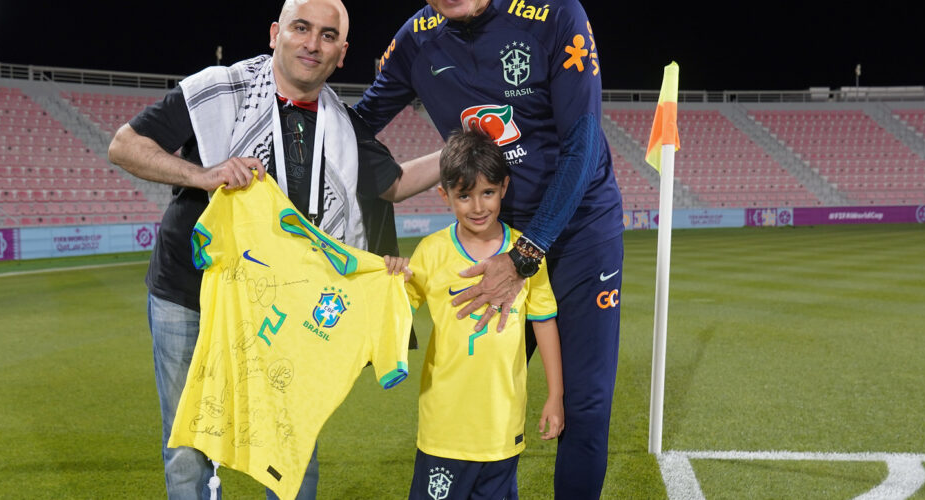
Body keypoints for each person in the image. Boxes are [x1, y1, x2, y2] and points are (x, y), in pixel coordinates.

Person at [107, 1, 438, 498]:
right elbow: (124, 145)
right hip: (187, 295)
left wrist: (463, 146)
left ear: (342, 54)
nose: (312, 43)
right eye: (301, 28)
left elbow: (392, 184)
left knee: (293, 439)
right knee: (186, 445)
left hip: (283, 310)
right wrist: (203, 175)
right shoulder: (218, 91)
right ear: (274, 33)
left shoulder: (343, 127)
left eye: (328, 36)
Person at [353, 1, 624, 497]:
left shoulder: (556, 13)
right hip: (495, 237)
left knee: (584, 405)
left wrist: (525, 256)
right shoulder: (417, 38)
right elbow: (356, 126)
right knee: (473, 387)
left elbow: (582, 143)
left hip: (580, 234)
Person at [385, 128, 564, 500]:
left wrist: (555, 394)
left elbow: (544, 321)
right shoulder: (432, 251)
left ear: (504, 187)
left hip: (502, 428)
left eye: (487, 192)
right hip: (444, 428)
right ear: (444, 195)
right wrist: (391, 275)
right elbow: (396, 307)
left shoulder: (525, 254)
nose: (478, 207)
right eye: (464, 196)